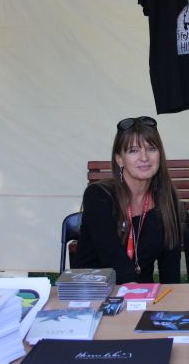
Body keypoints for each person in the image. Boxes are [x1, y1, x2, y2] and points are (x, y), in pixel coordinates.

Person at [73, 116, 182, 284]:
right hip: (96, 293)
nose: (144, 157)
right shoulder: (98, 195)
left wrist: (172, 297)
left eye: (151, 148)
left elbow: (170, 267)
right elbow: (112, 256)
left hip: (141, 294)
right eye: (133, 150)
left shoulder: (166, 199)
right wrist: (137, 293)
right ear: (119, 159)